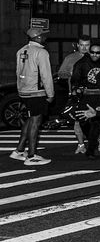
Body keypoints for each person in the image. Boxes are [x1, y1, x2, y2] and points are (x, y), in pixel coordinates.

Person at [12, 27, 55, 166]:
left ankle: (19, 150)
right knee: (36, 122)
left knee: (30, 119)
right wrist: (50, 93)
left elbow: (18, 71)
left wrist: (20, 89)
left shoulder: (21, 50)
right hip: (36, 92)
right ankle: (31, 155)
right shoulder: (41, 52)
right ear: (37, 37)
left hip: (24, 91)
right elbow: (46, 75)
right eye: (42, 36)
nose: (44, 38)